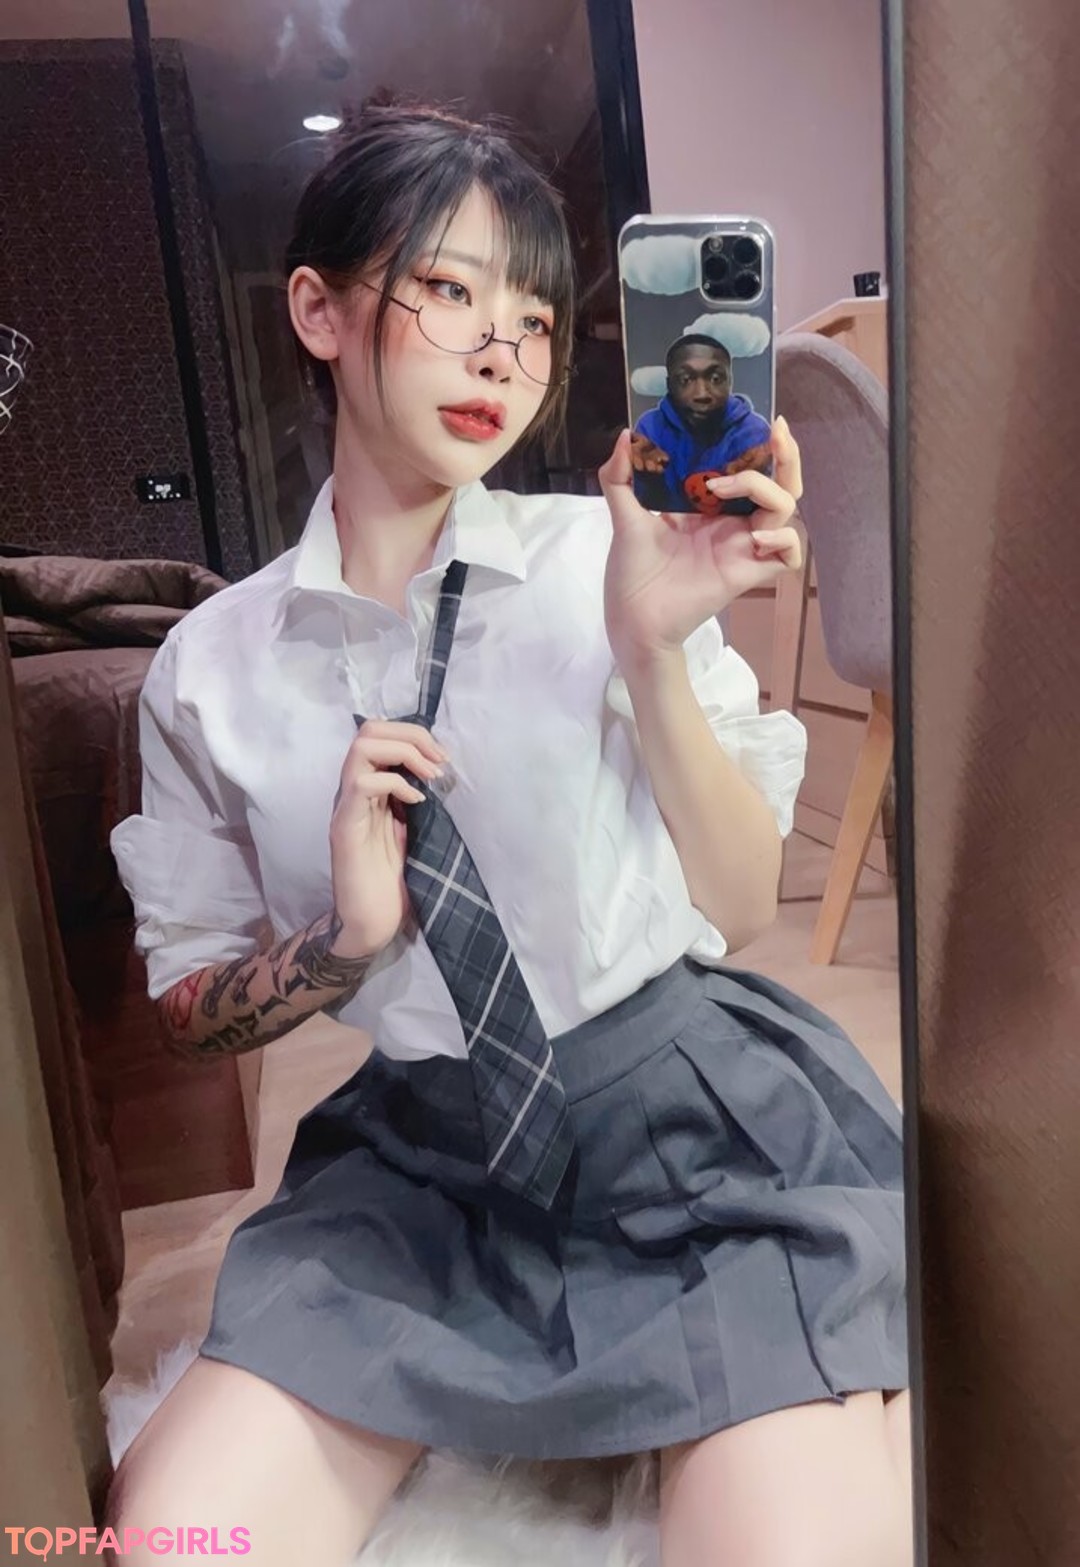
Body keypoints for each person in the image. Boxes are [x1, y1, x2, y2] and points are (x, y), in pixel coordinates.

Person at [105, 105, 911, 1567]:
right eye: (450, 289)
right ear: (319, 311)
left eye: (536, 319)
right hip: (422, 1172)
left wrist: (654, 652)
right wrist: (342, 945)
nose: (502, 352)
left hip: (696, 1138)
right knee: (179, 1540)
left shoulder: (610, 552)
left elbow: (741, 907)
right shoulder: (209, 671)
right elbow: (188, 1010)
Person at [631, 335, 773, 513]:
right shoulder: (650, 428)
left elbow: (758, 511)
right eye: (685, 380)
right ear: (669, 384)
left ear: (730, 381)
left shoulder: (753, 433)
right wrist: (646, 478)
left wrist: (755, 487)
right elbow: (647, 507)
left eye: (715, 378)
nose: (701, 394)